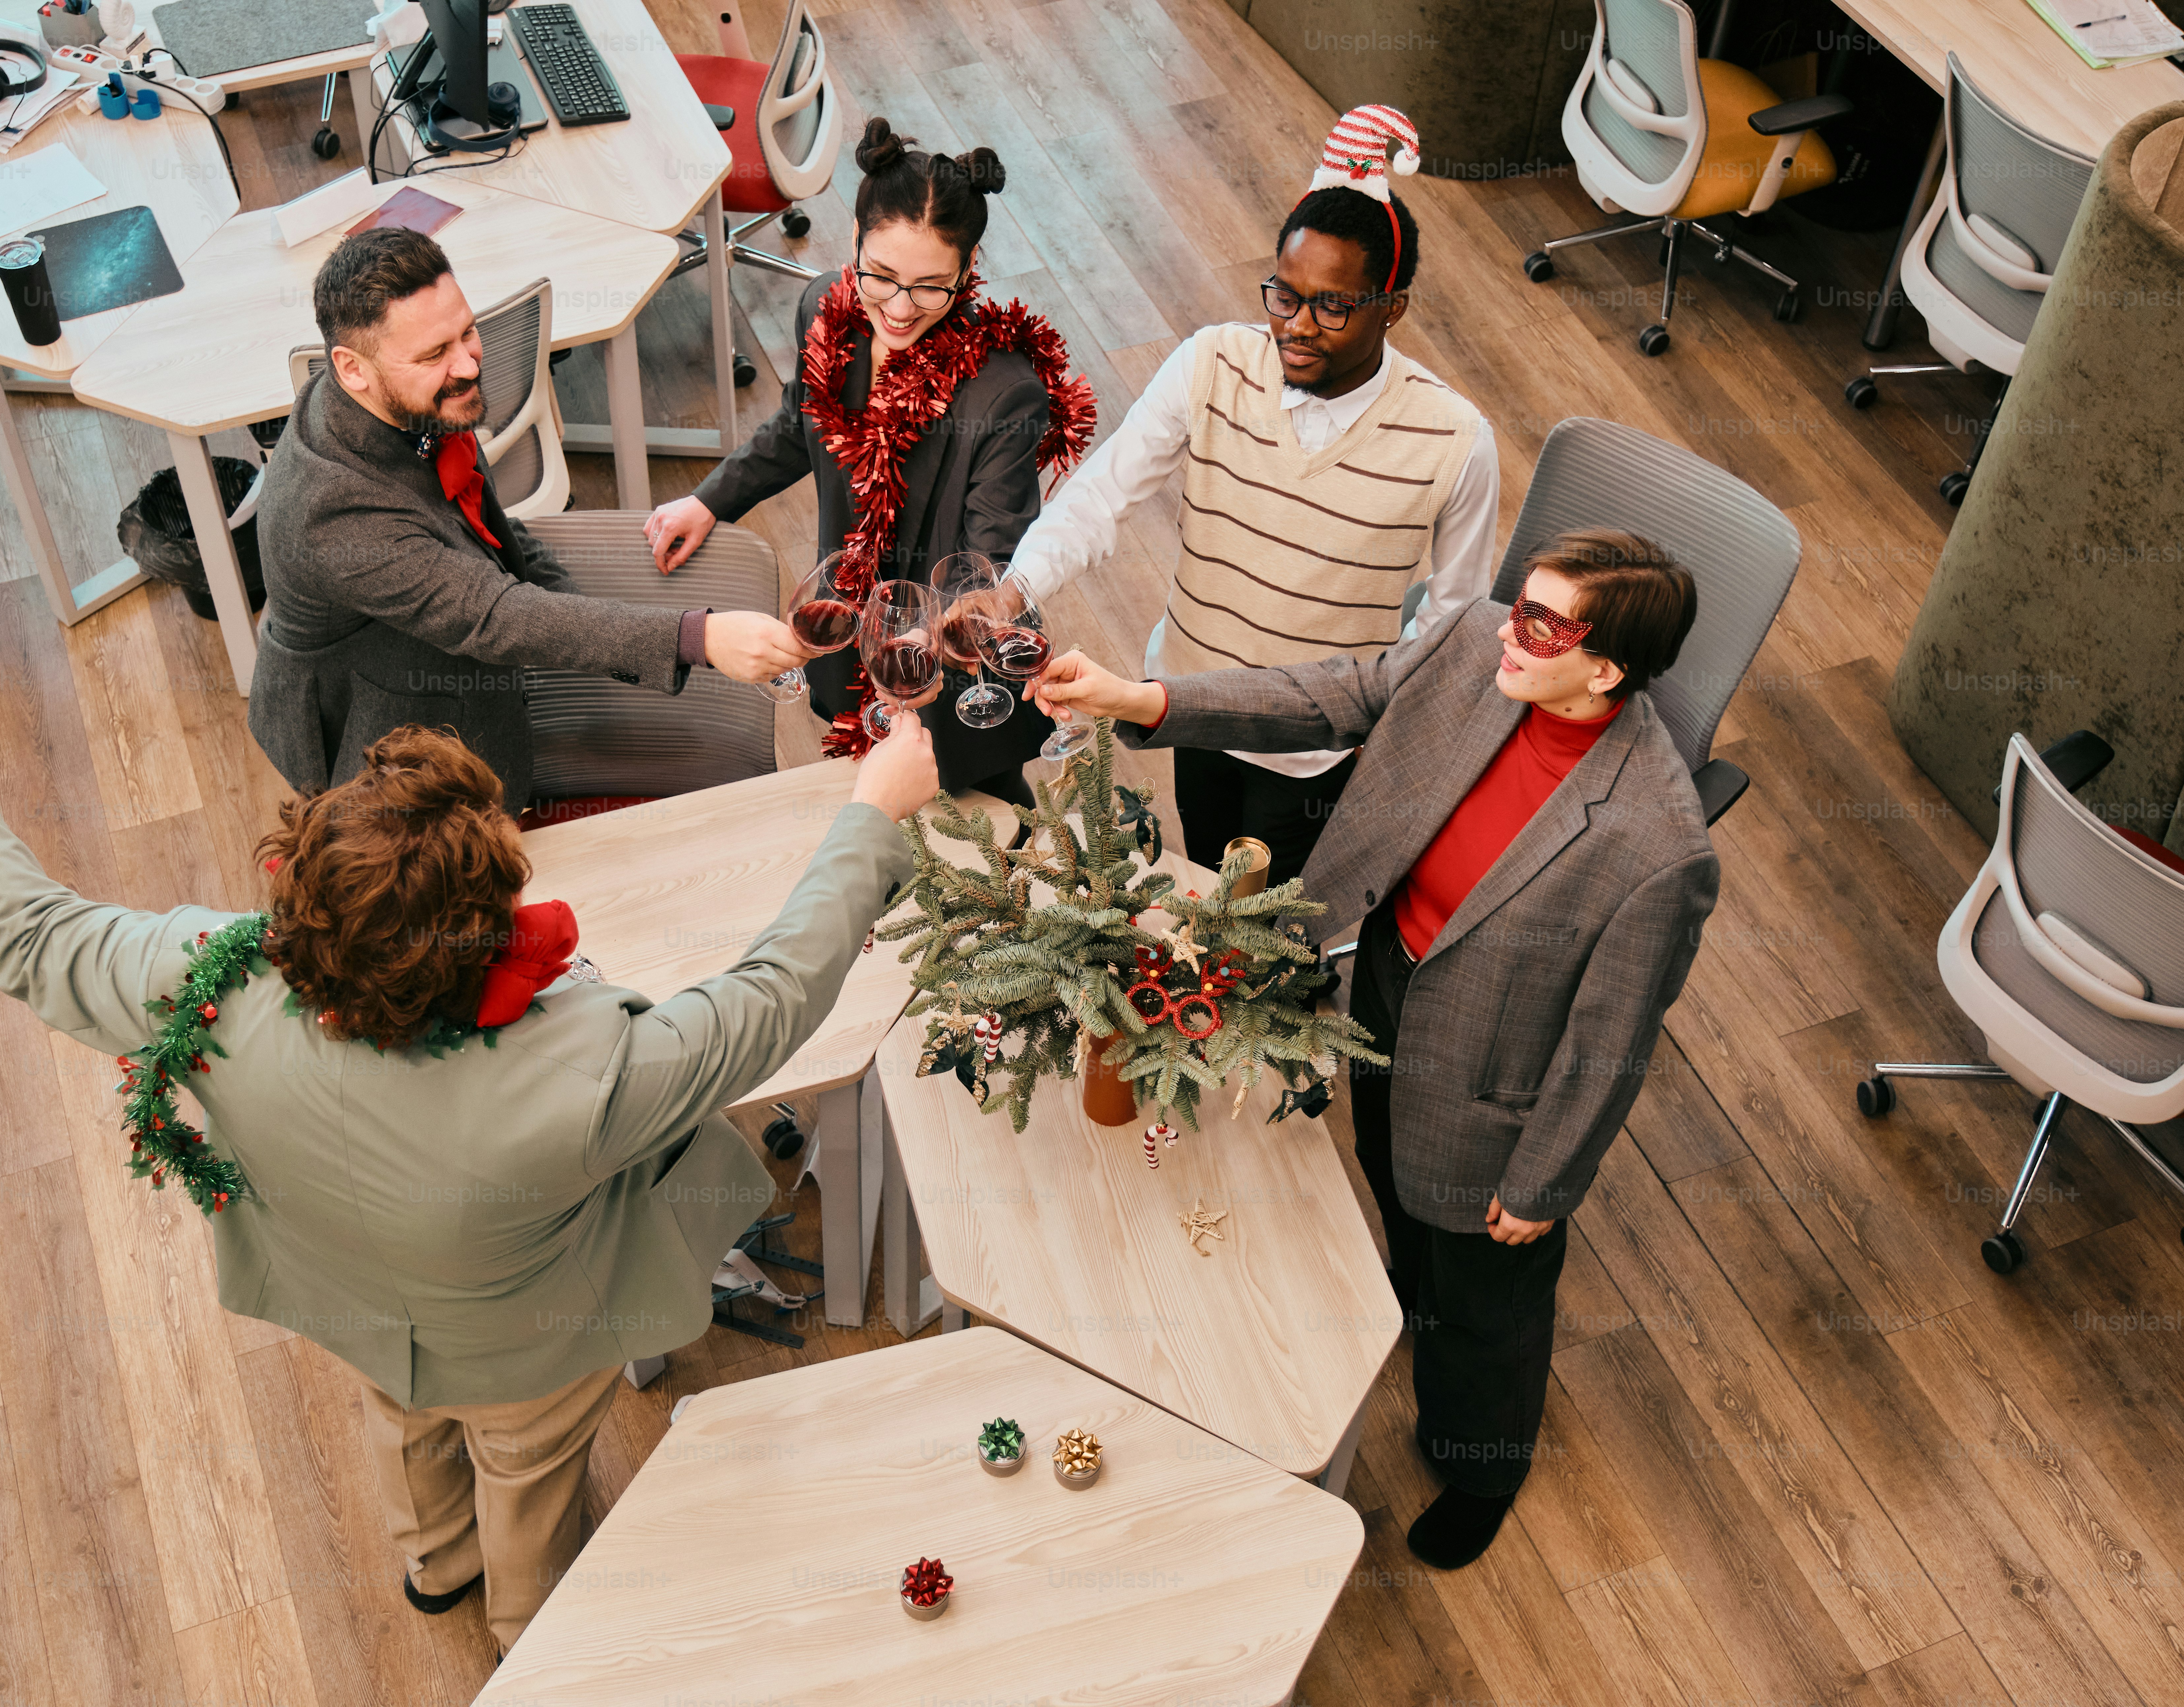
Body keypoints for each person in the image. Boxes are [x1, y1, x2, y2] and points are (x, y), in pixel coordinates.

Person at [0, 603, 937, 1653]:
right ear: (485, 922)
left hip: (349, 1299)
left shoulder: (207, 986)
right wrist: (868, 819)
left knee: (404, 1406)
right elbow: (773, 996)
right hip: (527, 1346)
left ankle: (436, 1567)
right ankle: (533, 1632)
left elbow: (18, 925)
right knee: (526, 1475)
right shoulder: (587, 1071)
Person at [1029, 530, 1718, 1572]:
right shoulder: (1478, 645)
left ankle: (1481, 1461)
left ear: (1607, 669)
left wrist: (1544, 1184)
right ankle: (1411, 1284)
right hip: (1386, 972)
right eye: (1516, 602)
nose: (1508, 630)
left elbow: (1607, 1044)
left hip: (1494, 1071)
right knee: (1397, 1187)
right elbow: (1327, 697)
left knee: (1487, 1291)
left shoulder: (1659, 846)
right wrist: (1145, 702)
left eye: (1542, 622)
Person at [999, 106, 1499, 886]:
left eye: (1332, 305)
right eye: (1284, 295)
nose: (1295, 327)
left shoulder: (1456, 439)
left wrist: (1383, 725)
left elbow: (1454, 618)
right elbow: (1104, 489)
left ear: (1392, 306)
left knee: (1274, 932)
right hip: (1192, 701)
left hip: (1318, 747)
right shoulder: (1213, 363)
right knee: (1205, 878)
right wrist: (1016, 586)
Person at [247, 227, 810, 813]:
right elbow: (491, 615)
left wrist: (574, 610)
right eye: (435, 353)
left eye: (467, 332)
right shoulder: (329, 513)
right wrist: (701, 637)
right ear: (351, 368)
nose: (468, 363)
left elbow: (480, 525)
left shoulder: (405, 395)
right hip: (379, 730)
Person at [644, 117, 1097, 793]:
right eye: (880, 275)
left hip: (950, 666)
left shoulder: (1007, 396)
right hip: (849, 629)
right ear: (854, 240)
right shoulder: (820, 309)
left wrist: (928, 639)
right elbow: (800, 427)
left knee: (978, 805)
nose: (901, 307)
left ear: (968, 271)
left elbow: (989, 556)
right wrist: (709, 499)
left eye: (930, 285)